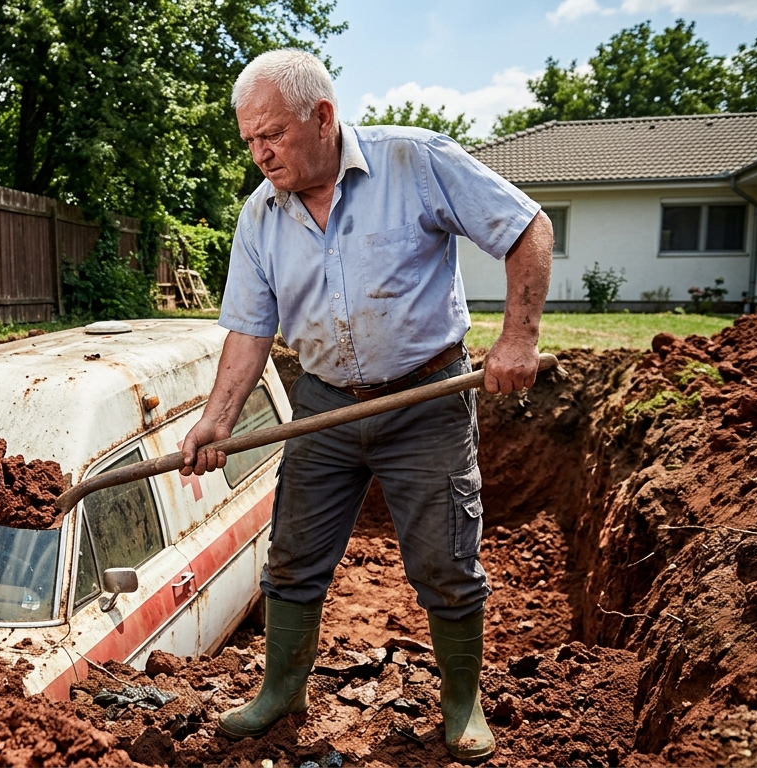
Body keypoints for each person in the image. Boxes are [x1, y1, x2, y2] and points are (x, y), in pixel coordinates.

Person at [179, 49, 552, 761]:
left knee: (446, 561)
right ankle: (282, 691)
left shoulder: (414, 162)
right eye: (249, 141)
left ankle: (461, 701)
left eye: (272, 136)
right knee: (292, 559)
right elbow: (250, 330)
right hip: (324, 405)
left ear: (322, 117)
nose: (259, 155)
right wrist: (218, 418)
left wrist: (518, 337)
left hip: (426, 398)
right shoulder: (260, 217)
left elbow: (526, 227)